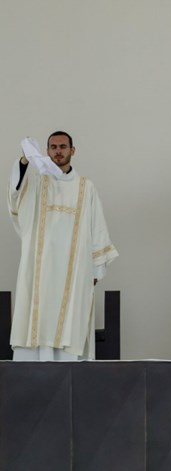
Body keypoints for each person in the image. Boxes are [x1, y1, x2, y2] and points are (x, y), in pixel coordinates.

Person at [7, 131, 118, 360]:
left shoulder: (86, 187)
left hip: (74, 271)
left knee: (71, 323)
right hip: (39, 269)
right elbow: (15, 196)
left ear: (72, 151)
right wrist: (25, 160)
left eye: (63, 146)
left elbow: (96, 225)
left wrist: (96, 267)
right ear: (47, 151)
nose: (58, 151)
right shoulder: (37, 183)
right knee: (38, 316)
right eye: (53, 147)